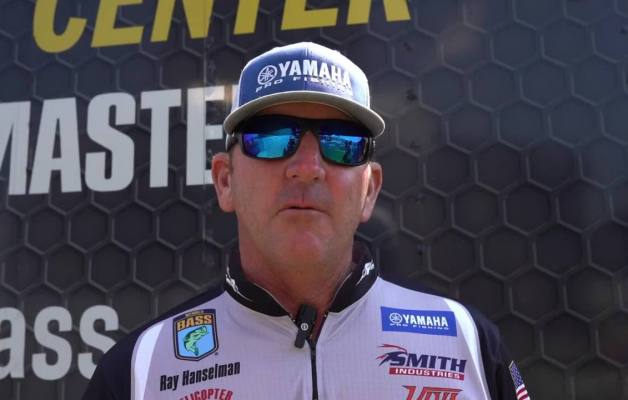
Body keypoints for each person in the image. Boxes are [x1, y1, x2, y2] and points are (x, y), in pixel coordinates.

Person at [83, 42, 529, 400]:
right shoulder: (139, 370)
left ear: (369, 190)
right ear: (225, 181)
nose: (307, 167)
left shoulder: (467, 344)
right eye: (272, 138)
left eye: (341, 143)